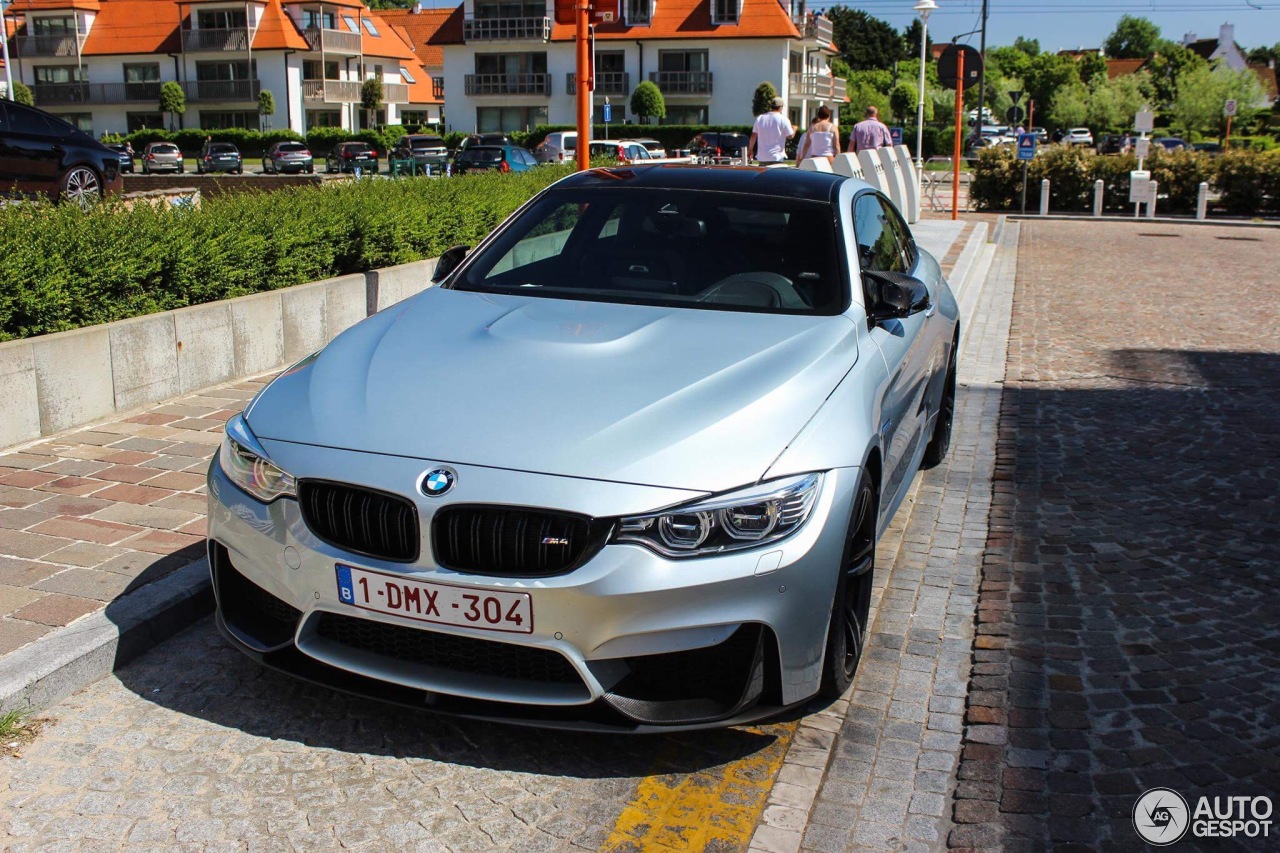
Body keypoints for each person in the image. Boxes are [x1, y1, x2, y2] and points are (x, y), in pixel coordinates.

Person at [750, 96, 794, 163]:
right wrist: (794, 129)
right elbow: (790, 136)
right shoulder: (783, 119)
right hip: (777, 158)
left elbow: (753, 135)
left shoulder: (760, 118)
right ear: (780, 107)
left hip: (762, 158)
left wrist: (750, 149)